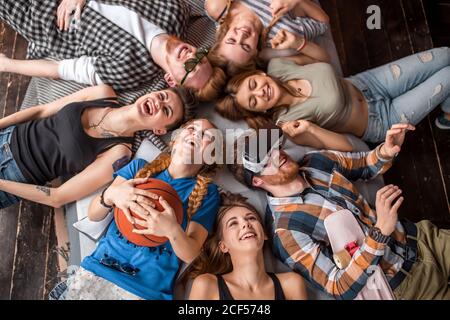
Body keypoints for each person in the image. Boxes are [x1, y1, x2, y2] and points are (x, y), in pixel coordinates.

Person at [228, 123, 450, 300]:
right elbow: (338, 285)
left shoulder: (316, 161)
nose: (278, 156)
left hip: (421, 238)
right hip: (407, 289)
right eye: (266, 161)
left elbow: (365, 163)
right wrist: (380, 232)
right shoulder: (285, 231)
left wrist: (385, 150)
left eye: (273, 148)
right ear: (257, 180)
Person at [50, 118, 221, 300]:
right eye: (191, 128)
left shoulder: (207, 193)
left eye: (206, 136)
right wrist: (111, 195)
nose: (196, 133)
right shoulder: (140, 169)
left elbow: (192, 254)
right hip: (97, 272)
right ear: (174, 139)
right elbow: (93, 214)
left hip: (144, 291)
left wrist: (171, 230)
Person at [0, 84, 193, 209]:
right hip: (8, 135)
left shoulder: (118, 152)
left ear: (159, 130)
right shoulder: (103, 93)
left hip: (13, 175)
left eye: (166, 110)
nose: (159, 103)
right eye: (162, 96)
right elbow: (41, 110)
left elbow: (57, 197)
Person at [217, 45, 450, 147]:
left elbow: (323, 60)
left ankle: (447, 111)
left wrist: (298, 42)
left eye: (254, 84)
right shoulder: (288, 124)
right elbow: (345, 147)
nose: (260, 92)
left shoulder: (278, 65)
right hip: (381, 120)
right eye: (253, 101)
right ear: (259, 111)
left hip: (371, 81)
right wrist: (310, 130)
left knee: (444, 56)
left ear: (258, 73)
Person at [0, 0, 226, 100]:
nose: (191, 56)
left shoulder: (129, 70)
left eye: (190, 68)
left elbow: (62, 69)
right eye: (200, 58)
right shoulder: (174, 11)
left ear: (171, 80)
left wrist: (7, 65)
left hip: (40, 16)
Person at [189, 192, 307, 300]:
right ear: (223, 246)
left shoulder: (292, 284)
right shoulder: (207, 285)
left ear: (265, 234)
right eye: (233, 223)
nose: (246, 223)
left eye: (251, 218)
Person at [205, 0, 329, 76]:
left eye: (231, 40)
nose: (242, 35)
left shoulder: (219, 7)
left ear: (222, 37)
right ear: (256, 52)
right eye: (246, 46)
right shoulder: (282, 32)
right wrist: (296, 1)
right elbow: (323, 22)